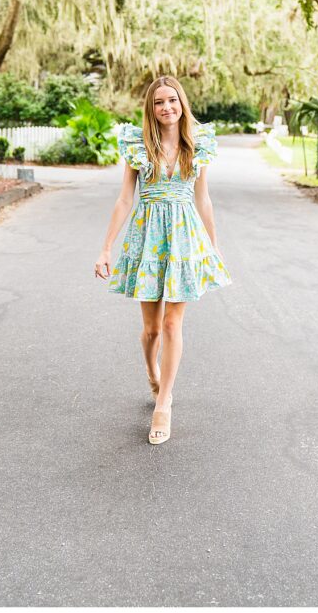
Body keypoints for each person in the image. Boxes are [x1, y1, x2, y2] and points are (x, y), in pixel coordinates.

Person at [94, 76, 232, 444]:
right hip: (148, 237)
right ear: (151, 109)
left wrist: (213, 247)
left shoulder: (197, 145)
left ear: (182, 104)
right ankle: (151, 371)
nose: (167, 107)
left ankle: (164, 403)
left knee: (173, 325)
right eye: (159, 102)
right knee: (152, 329)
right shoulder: (138, 145)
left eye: (172, 100)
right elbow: (125, 199)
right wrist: (106, 247)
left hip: (185, 239)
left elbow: (203, 199)